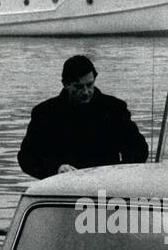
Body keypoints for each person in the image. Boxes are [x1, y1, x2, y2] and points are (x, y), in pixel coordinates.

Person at [17, 55, 148, 179]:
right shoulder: (45, 113)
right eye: (78, 87)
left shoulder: (114, 108)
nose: (86, 92)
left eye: (90, 85)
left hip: (107, 186)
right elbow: (26, 157)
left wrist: (119, 173)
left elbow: (138, 149)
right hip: (62, 187)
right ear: (65, 84)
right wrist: (56, 169)